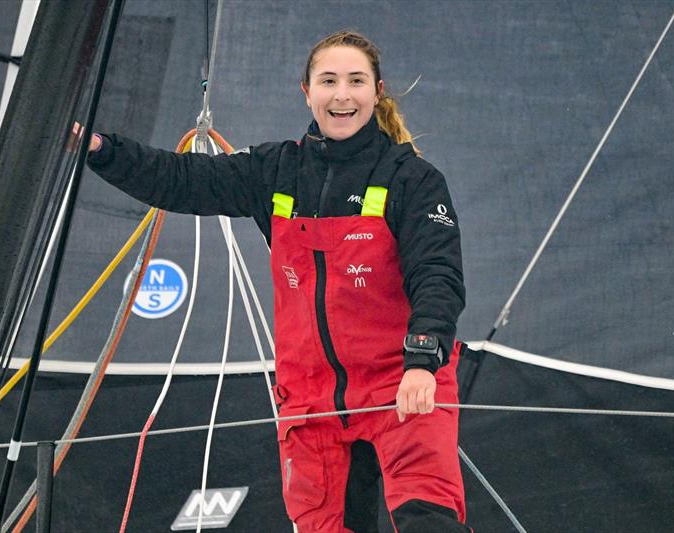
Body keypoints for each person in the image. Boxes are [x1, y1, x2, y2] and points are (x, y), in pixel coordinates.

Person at [87, 30, 469, 533]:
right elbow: (181, 179)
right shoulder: (276, 170)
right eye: (328, 81)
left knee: (429, 522)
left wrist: (423, 359)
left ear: (377, 92)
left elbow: (437, 273)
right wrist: (98, 149)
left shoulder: (412, 179)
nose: (341, 95)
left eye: (356, 81)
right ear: (306, 91)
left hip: (402, 386)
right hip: (310, 404)